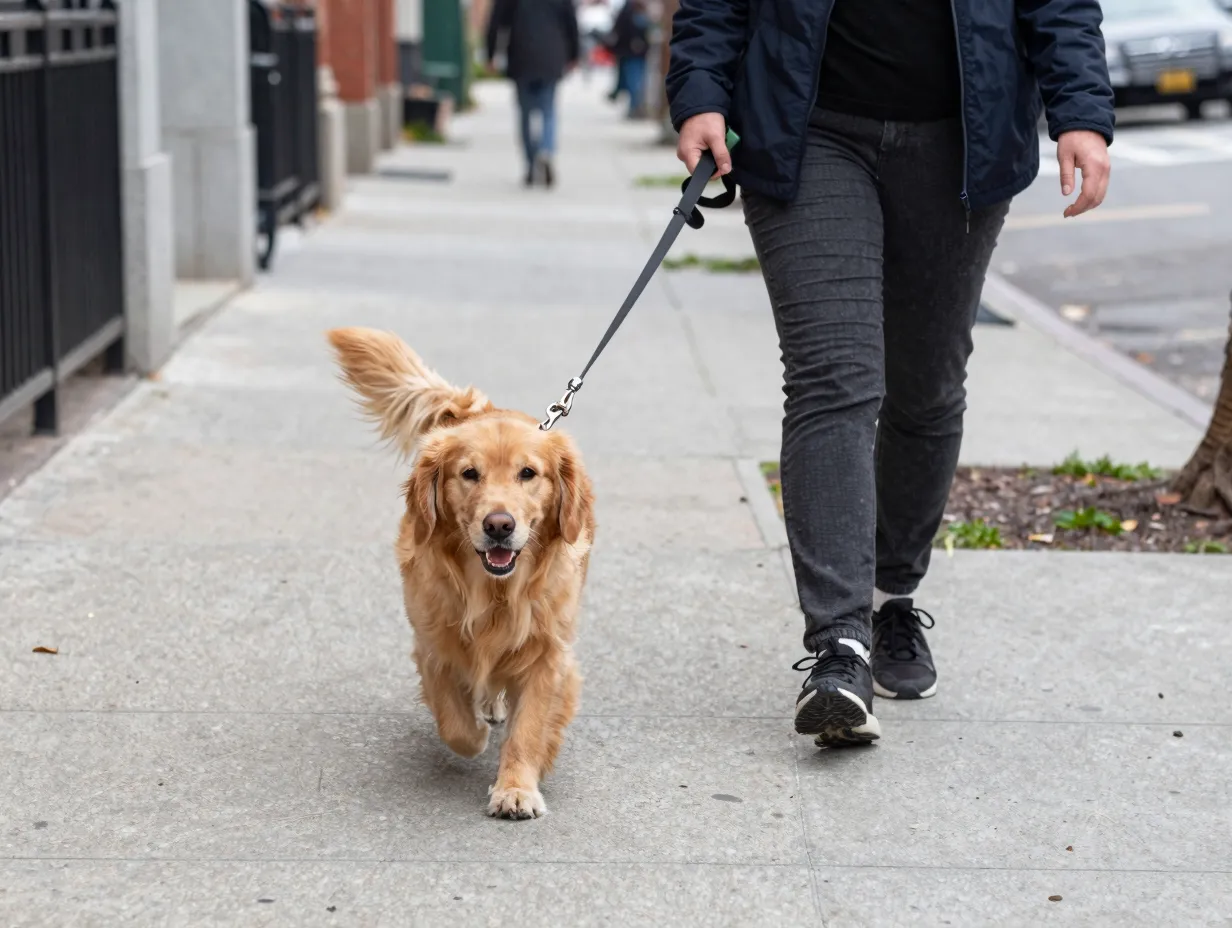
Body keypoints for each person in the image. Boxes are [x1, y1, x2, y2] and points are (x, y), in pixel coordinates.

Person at [666, 0, 1113, 745]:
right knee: (833, 378)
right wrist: (702, 93)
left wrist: (1081, 111)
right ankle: (839, 645)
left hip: (960, 143)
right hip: (808, 130)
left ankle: (892, 594)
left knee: (927, 386)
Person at [486, 0, 580, 187]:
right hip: (551, 56)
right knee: (548, 111)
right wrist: (574, 55)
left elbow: (496, 23)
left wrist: (491, 54)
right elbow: (571, 22)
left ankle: (530, 164)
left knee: (525, 114)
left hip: (521, 56)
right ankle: (546, 149)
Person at [606, 0, 651, 118]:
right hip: (630, 52)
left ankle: (635, 106)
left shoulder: (639, 9)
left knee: (635, 80)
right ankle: (635, 107)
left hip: (637, 53)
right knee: (634, 81)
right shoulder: (629, 10)